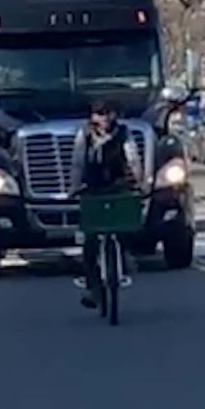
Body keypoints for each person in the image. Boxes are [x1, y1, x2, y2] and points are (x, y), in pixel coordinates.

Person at [68, 101, 143, 309]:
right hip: (93, 188)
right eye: (99, 114)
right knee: (90, 239)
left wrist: (140, 182)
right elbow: (78, 162)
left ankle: (126, 256)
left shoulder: (123, 133)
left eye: (109, 113)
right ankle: (93, 288)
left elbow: (133, 158)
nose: (105, 118)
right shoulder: (85, 135)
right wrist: (74, 187)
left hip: (118, 186)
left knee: (125, 223)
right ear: (92, 117)